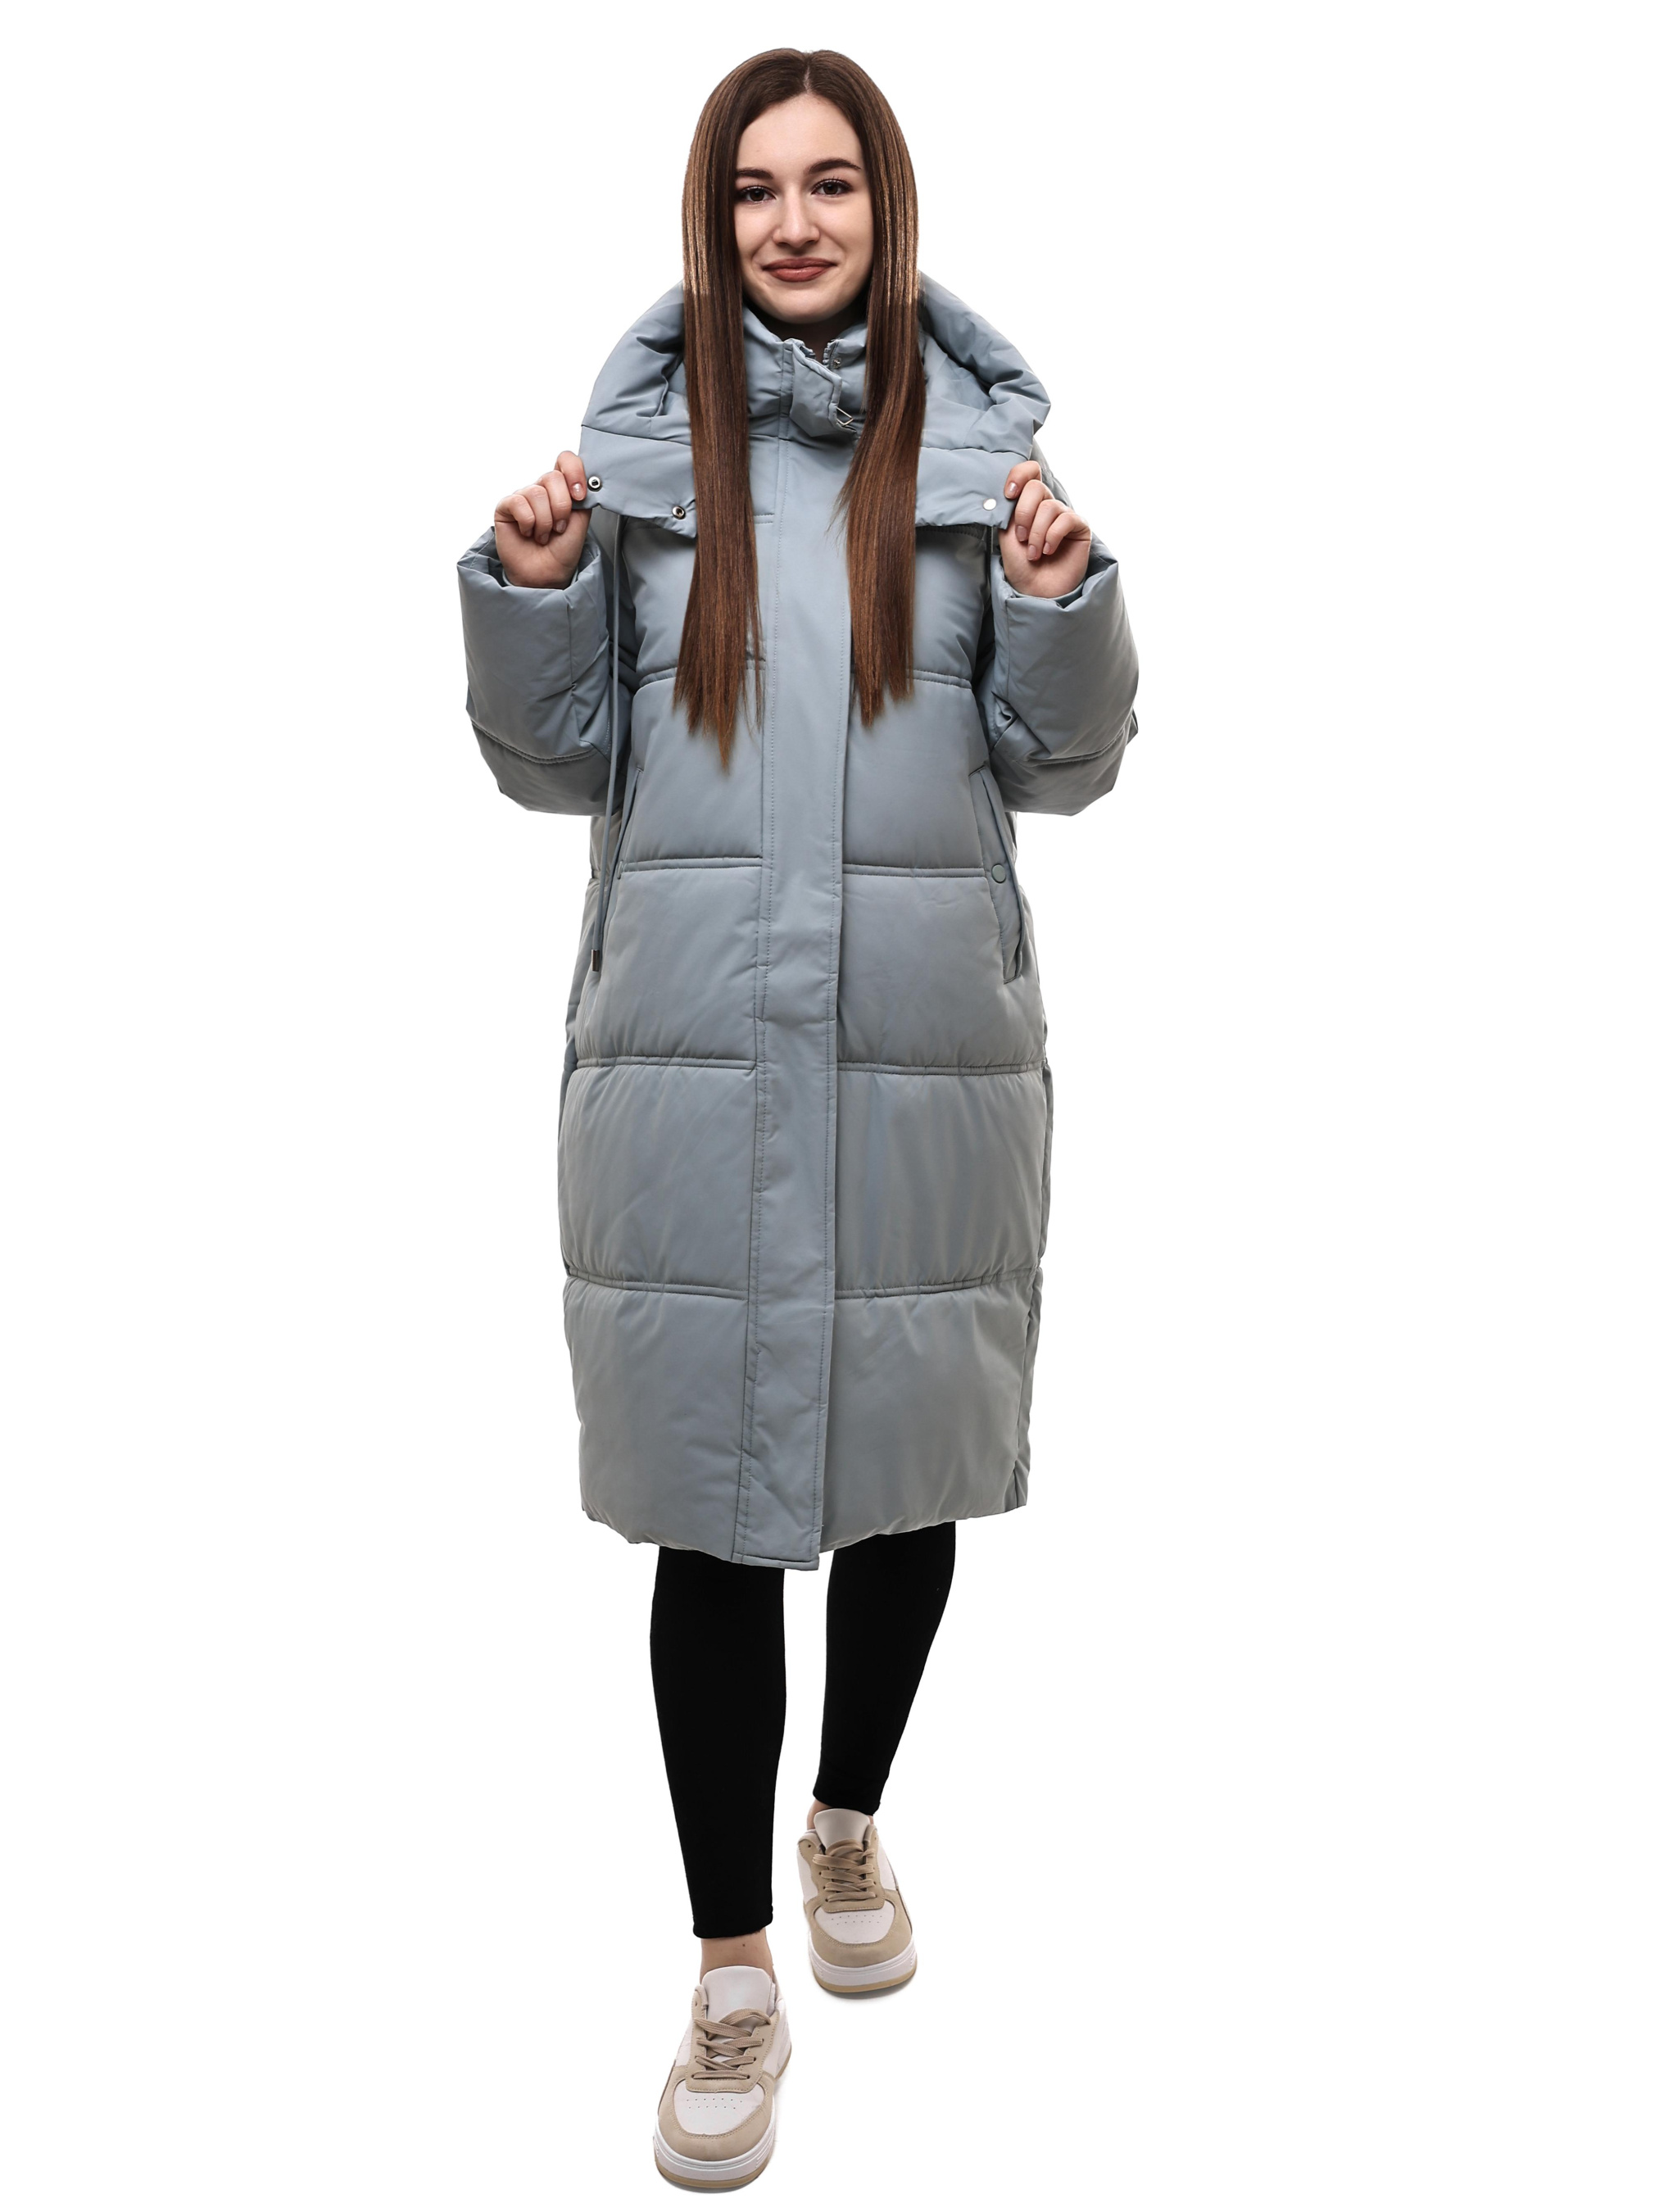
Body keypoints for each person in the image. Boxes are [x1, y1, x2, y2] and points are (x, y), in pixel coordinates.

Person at [456, 46, 1138, 2190]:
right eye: (755, 188)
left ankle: (845, 1819)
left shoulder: (984, 460)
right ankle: (731, 1962)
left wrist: (1062, 606)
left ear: (885, 204)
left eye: (830, 183)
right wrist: (532, 591)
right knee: (713, 1508)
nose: (793, 223)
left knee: (906, 1474)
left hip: (928, 1052)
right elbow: (557, 764)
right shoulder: (634, 463)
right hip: (691, 1045)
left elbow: (1065, 766)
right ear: (711, 216)